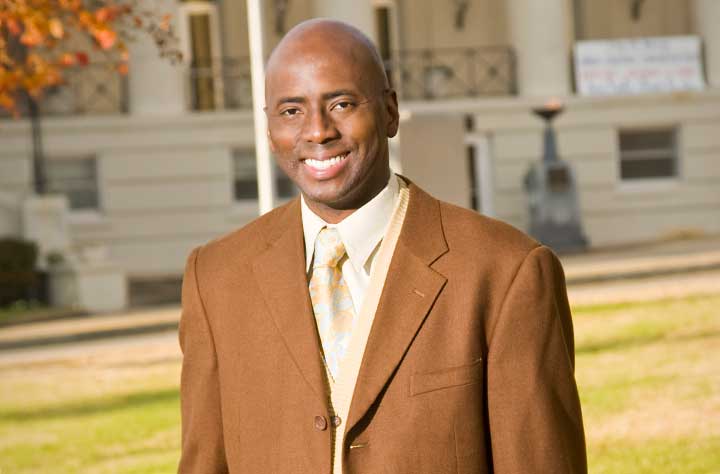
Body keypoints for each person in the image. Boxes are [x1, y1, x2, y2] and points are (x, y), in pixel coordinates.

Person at [178, 18, 587, 474]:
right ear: (269, 127)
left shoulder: (505, 272)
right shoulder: (216, 278)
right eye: (291, 111)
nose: (317, 131)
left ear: (390, 111)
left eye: (341, 103)